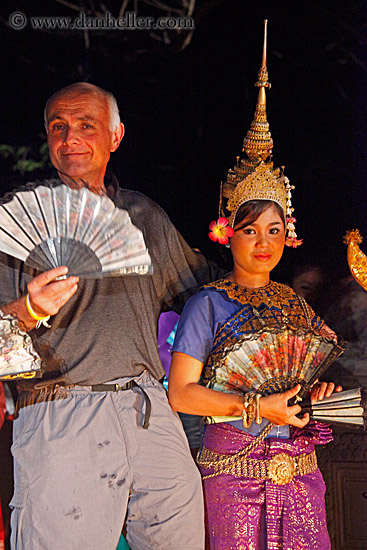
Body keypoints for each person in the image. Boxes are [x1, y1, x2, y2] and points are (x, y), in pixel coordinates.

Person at [0, 82, 218, 550]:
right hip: (61, 411)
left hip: (148, 411)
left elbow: (209, 293)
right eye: (58, 127)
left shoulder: (144, 215)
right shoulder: (21, 216)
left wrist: (269, 269)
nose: (70, 138)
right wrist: (28, 309)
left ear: (116, 136)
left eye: (86, 125)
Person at [169, 23, 342, 550]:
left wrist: (312, 395)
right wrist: (257, 409)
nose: (263, 243)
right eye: (251, 230)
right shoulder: (207, 304)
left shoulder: (293, 305)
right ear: (228, 233)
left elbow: (296, 382)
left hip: (299, 470)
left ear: (287, 236)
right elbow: (181, 394)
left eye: (275, 230)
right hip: (232, 471)